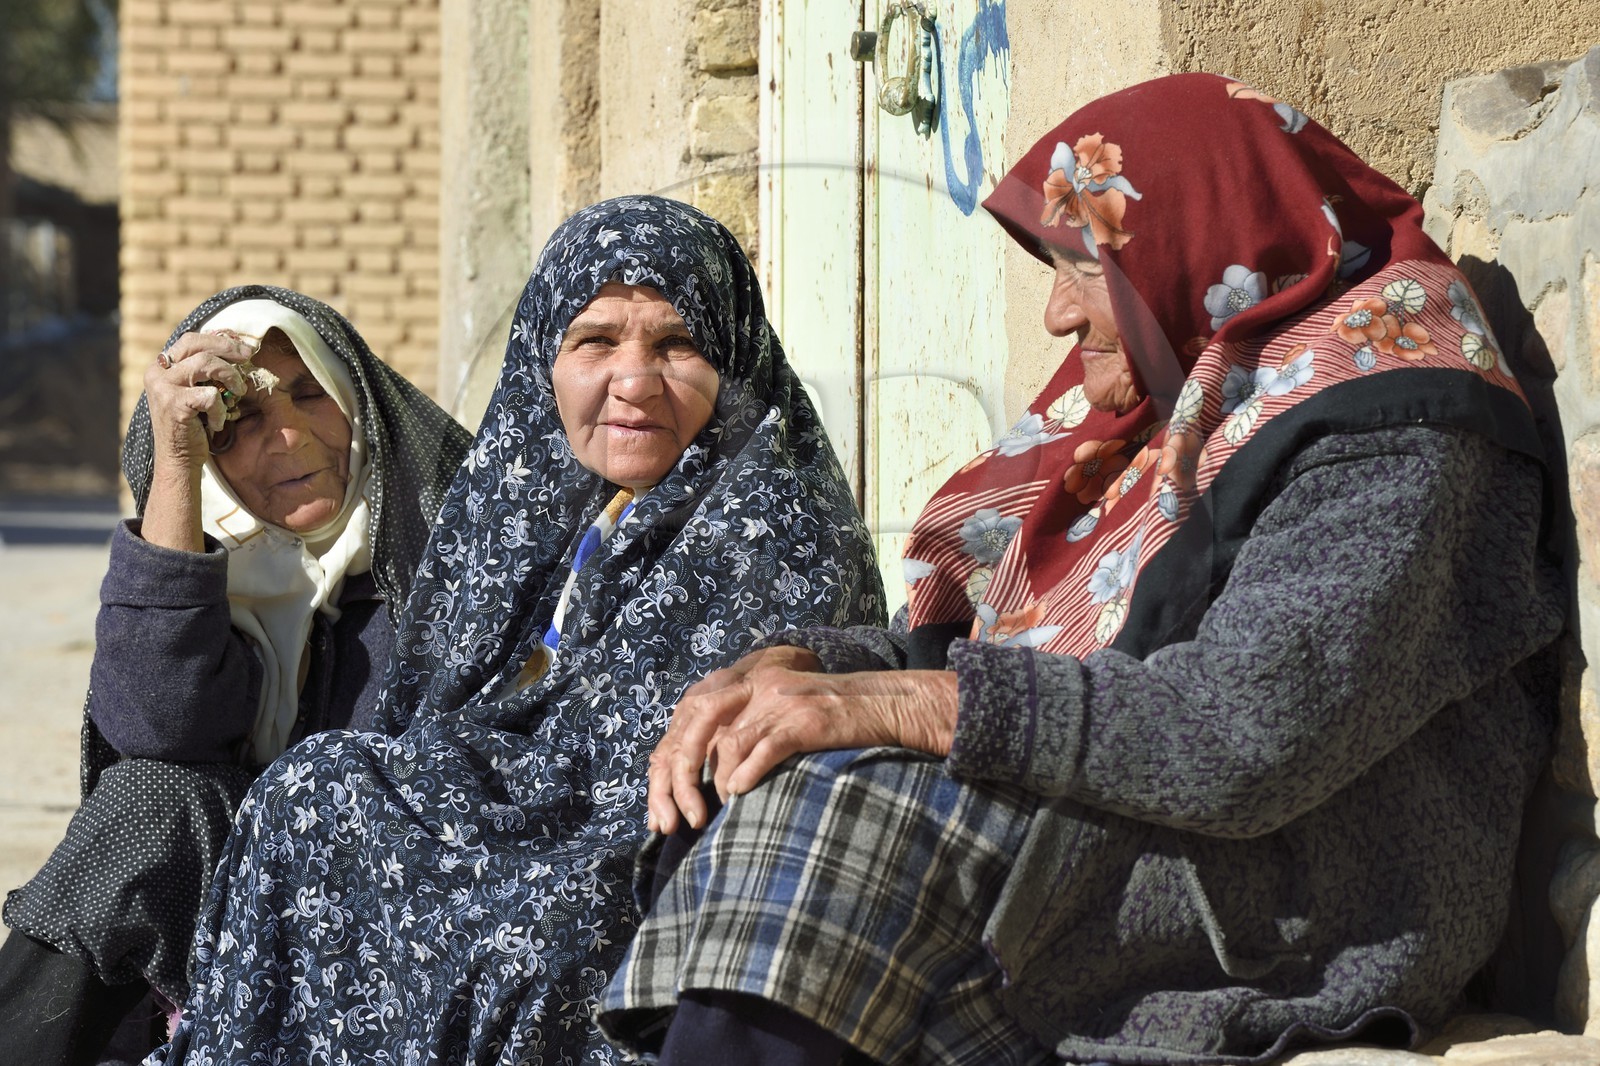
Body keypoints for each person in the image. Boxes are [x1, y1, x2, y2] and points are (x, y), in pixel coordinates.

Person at [597, 73, 1567, 1065]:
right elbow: (985, 645)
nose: (1057, 317)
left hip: (1300, 897)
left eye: (1082, 269)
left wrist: (889, 707)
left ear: (1195, 243)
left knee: (839, 818)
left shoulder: (1396, 422)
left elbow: (1243, 736)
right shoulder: (1184, 396)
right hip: (1146, 820)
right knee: (752, 764)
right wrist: (801, 669)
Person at [149, 195, 884, 1064]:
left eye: (677, 344)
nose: (635, 381)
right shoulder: (532, 506)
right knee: (313, 788)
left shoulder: (774, 528)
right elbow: (433, 714)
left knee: (530, 931)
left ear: (732, 358)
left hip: (646, 847)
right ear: (546, 361)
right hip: (520, 808)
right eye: (596, 341)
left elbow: (666, 784)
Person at [0, 285, 473, 1065]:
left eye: (311, 394)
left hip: (403, 939)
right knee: (150, 799)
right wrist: (176, 466)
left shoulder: (456, 567)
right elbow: (155, 726)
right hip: (235, 941)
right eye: (242, 419)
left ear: (358, 401)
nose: (288, 437)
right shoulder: (225, 579)